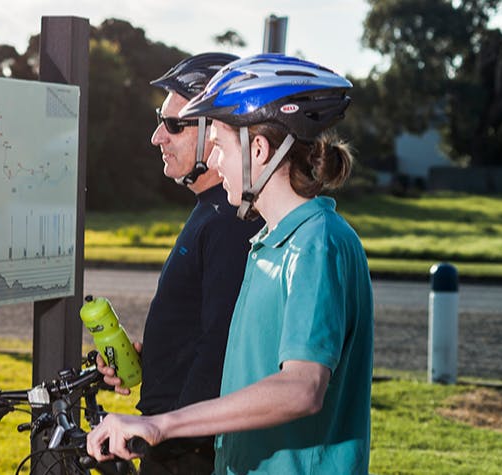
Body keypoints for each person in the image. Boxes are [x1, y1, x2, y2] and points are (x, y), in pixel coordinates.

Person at [87, 54, 373, 474]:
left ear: (258, 151)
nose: (218, 164)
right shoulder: (267, 244)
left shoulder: (316, 243)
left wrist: (162, 425)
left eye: (220, 146)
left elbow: (302, 387)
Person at [97, 52, 264, 475]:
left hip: (188, 453)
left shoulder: (231, 220)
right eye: (161, 120)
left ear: (215, 131)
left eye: (174, 125)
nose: (157, 136)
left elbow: (220, 347)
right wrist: (149, 358)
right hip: (174, 440)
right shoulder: (212, 208)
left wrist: (167, 440)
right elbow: (200, 327)